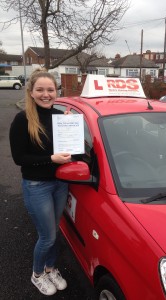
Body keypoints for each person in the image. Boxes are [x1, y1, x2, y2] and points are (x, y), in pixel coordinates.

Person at [9, 68, 71, 296]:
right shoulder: (22, 119)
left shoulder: (60, 117)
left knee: (54, 230)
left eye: (50, 90)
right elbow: (19, 158)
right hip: (37, 186)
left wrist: (69, 129)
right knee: (47, 236)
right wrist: (50, 159)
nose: (46, 94)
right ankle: (37, 274)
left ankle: (50, 268)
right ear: (31, 92)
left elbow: (68, 150)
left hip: (60, 183)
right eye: (40, 90)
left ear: (57, 91)